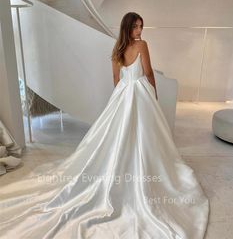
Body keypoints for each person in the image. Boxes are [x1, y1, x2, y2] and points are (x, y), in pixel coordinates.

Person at [0, 12, 209, 239]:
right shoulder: (142, 46)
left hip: (122, 95)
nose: (139, 31)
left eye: (141, 27)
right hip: (140, 95)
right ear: (128, 27)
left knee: (117, 136)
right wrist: (154, 97)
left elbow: (116, 81)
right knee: (145, 136)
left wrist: (121, 98)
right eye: (136, 27)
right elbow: (149, 74)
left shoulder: (117, 50)